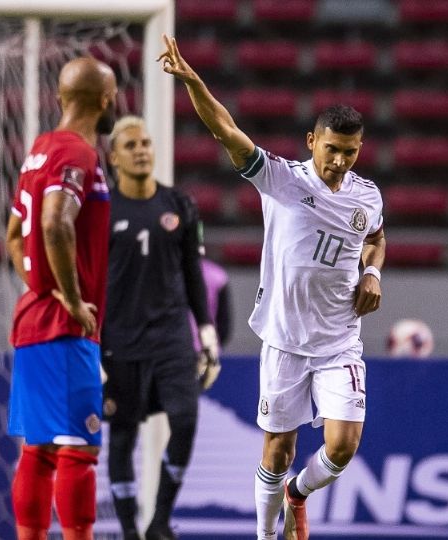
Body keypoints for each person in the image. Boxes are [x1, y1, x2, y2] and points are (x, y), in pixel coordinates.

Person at [158, 35, 386, 540]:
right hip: (284, 339)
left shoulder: (367, 196)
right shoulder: (283, 180)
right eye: (331, 149)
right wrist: (194, 80)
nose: (340, 161)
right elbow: (225, 131)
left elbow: (376, 237)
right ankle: (266, 535)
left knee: (343, 445)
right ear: (312, 142)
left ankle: (298, 495)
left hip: (339, 339)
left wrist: (372, 272)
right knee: (276, 451)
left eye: (350, 152)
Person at [5, 56, 117, 540]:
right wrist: (70, 299)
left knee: (41, 449)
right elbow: (53, 221)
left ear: (61, 97)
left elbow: (13, 234)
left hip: (33, 319)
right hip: (64, 327)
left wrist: (39, 285)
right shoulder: (78, 152)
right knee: (77, 451)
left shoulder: (40, 149)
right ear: (106, 101)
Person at [101, 115, 220, 540]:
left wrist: (206, 332)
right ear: (114, 157)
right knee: (122, 436)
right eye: (131, 145)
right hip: (119, 341)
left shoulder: (179, 205)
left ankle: (160, 521)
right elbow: (93, 283)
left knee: (185, 420)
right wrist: (93, 347)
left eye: (146, 143)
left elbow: (192, 273)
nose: (141, 150)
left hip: (171, 337)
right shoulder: (101, 210)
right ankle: (130, 529)